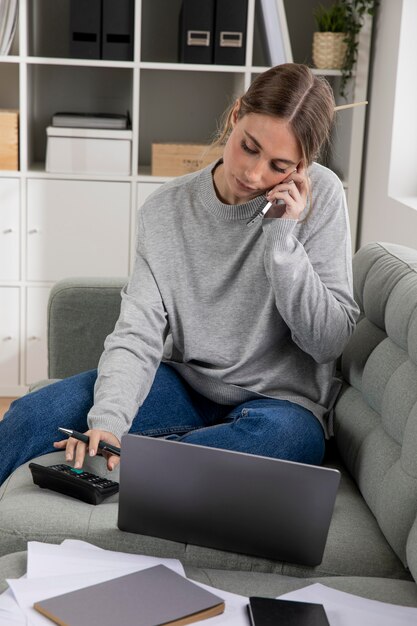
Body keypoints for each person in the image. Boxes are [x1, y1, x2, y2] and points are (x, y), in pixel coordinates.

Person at [0, 63, 359, 486]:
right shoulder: (165, 210)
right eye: (249, 146)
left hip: (281, 406)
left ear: (302, 167)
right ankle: (157, 461)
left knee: (284, 442)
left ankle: (142, 465)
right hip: (185, 386)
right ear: (235, 116)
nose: (255, 174)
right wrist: (109, 422)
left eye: (279, 166)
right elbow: (137, 334)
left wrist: (283, 241)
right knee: (31, 415)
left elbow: (328, 343)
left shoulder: (323, 196)